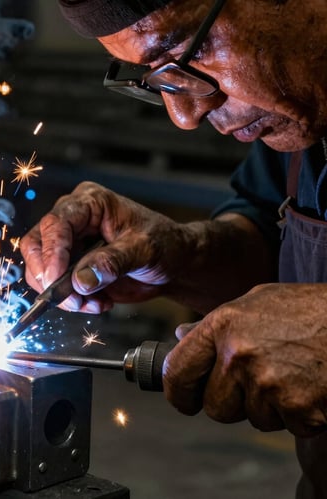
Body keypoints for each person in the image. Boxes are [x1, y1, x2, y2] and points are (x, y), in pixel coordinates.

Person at [19, 0, 327, 496]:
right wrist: (185, 254)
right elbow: (277, 246)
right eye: (156, 81)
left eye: (188, 52)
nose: (185, 115)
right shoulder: (303, 114)